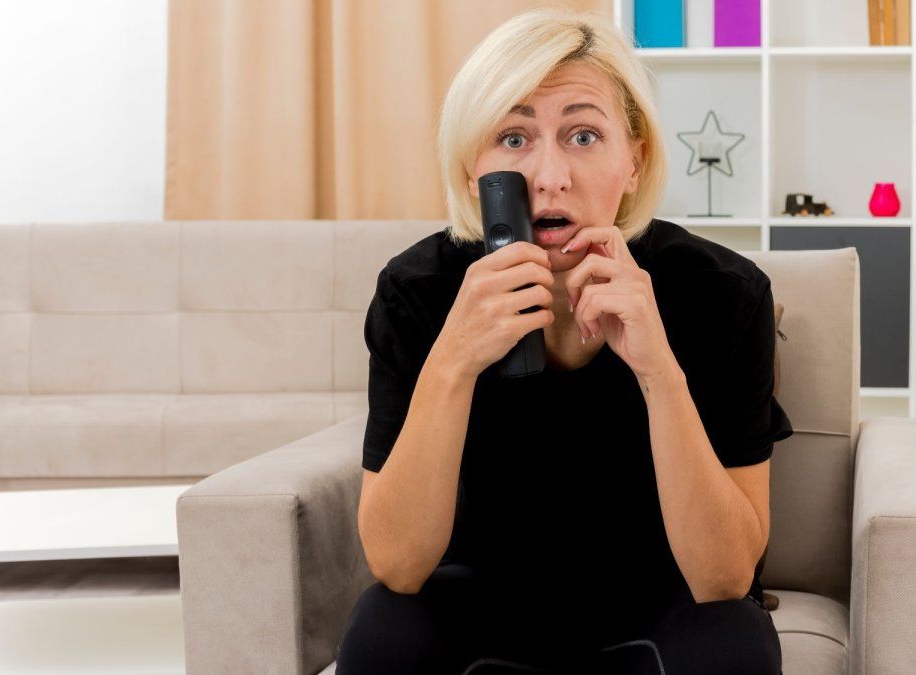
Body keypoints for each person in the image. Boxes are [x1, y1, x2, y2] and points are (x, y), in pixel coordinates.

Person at [336, 8, 793, 674]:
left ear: (634, 161)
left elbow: (724, 576)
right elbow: (397, 563)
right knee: (384, 629)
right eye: (513, 138)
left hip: (662, 598)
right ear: (470, 171)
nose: (550, 175)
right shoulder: (418, 291)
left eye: (583, 135)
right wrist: (453, 362)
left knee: (734, 640)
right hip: (484, 597)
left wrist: (659, 372)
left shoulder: (725, 293)